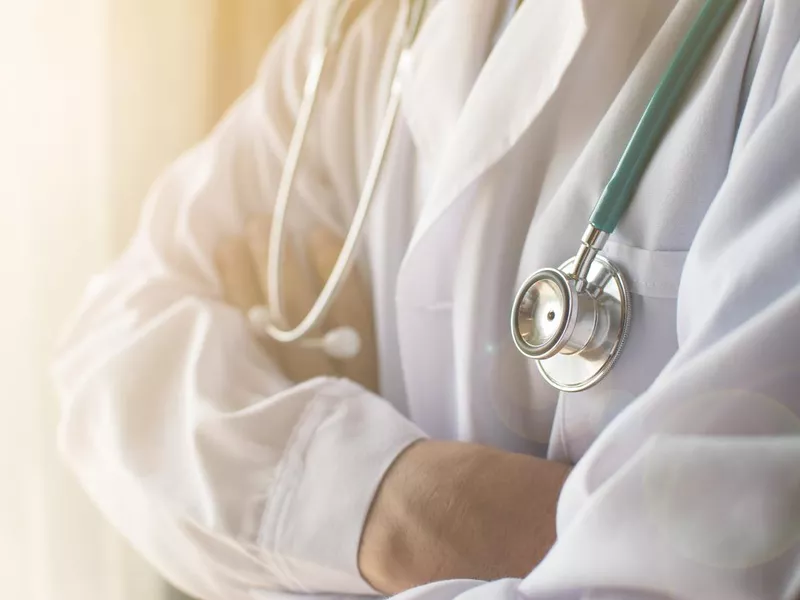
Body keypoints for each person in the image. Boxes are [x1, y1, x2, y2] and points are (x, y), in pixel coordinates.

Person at [54, 0, 800, 599]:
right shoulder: (360, 25)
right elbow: (113, 356)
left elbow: (720, 562)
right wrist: (399, 505)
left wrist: (302, 544)